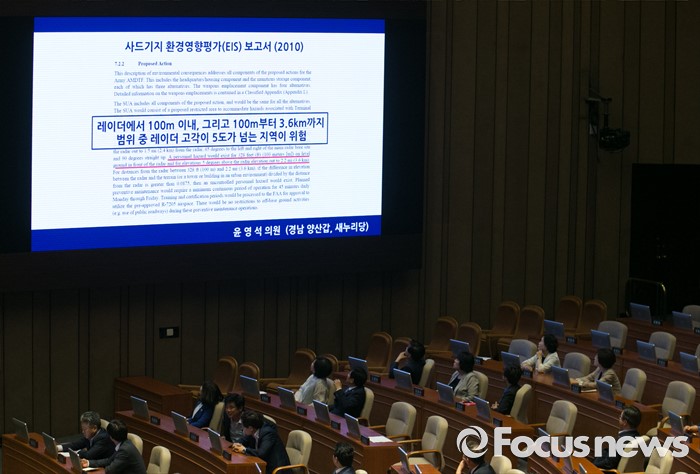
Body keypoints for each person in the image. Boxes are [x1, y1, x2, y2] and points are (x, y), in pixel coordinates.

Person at [81, 419, 146, 474]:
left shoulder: (125, 450)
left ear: (111, 436)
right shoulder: (124, 443)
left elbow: (109, 470)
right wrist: (88, 463)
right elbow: (109, 460)